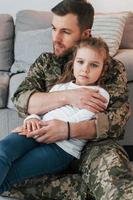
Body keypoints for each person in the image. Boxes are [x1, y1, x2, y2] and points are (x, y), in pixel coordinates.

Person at [1, 0, 133, 200]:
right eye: (54, 29)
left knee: (114, 180)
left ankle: (87, 185)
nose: (56, 38)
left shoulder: (110, 68)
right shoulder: (46, 62)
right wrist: (67, 96)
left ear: (85, 34)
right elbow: (22, 99)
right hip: (42, 138)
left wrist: (68, 130)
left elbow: (116, 120)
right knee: (9, 172)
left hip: (93, 145)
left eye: (65, 32)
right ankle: (83, 188)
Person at [0, 37, 110, 193]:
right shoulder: (60, 87)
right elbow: (41, 112)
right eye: (80, 62)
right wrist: (32, 119)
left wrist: (51, 127)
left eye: (93, 65)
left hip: (61, 148)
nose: (85, 69)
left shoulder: (100, 94)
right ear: (73, 63)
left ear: (103, 69)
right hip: (36, 131)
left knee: (13, 173)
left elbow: (81, 118)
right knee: (3, 150)